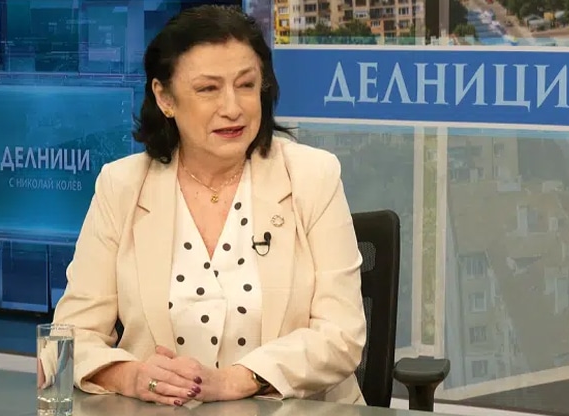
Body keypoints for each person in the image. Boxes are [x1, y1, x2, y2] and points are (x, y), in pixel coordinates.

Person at [50, 4, 367, 408]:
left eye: (246, 85)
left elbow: (341, 336)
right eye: (208, 89)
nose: (233, 108)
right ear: (164, 98)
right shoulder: (122, 186)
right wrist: (133, 376)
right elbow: (68, 338)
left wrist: (235, 381)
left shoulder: (312, 177)